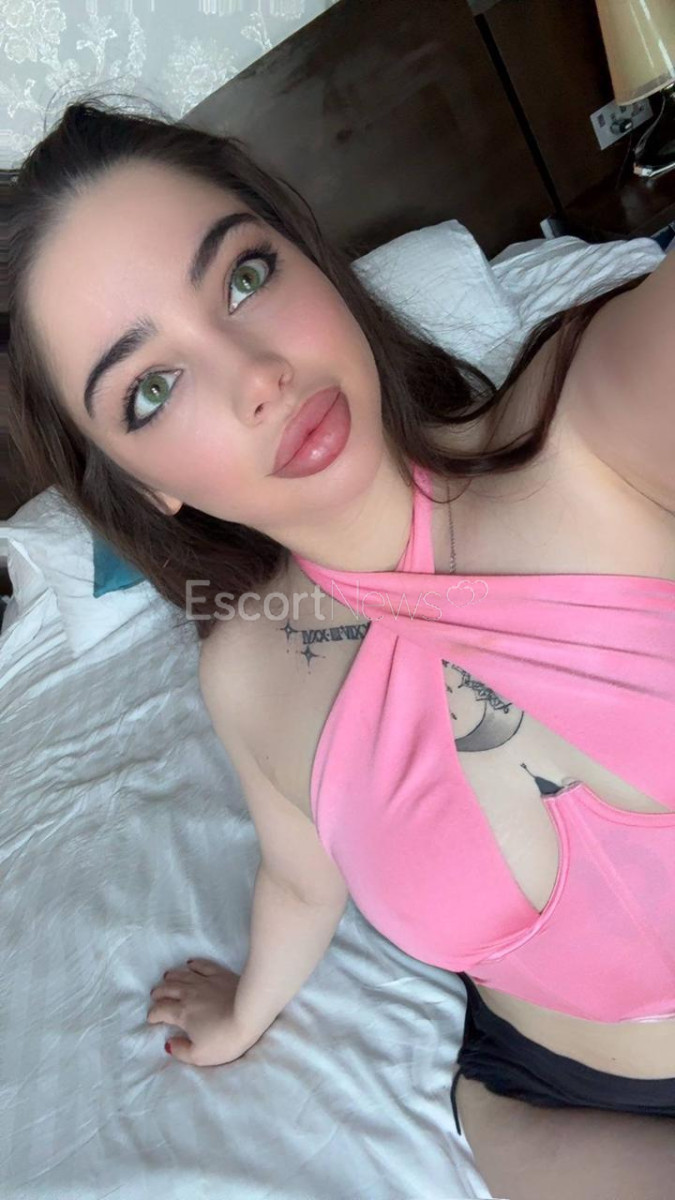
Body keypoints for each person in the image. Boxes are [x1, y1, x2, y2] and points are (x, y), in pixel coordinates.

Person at [8, 92, 675, 1200]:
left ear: (313, 260)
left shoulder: (595, 424)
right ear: (142, 482)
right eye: (153, 388)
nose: (254, 377)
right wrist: (241, 1012)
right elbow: (298, 876)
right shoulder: (247, 672)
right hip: (554, 1097)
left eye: (244, 277)